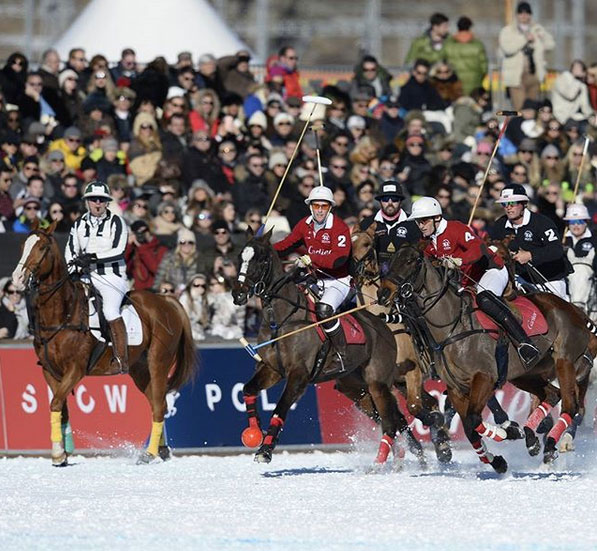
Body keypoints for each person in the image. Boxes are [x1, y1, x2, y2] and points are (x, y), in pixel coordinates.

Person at [409, 196, 540, 366]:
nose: (421, 225)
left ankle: (525, 343)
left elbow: (478, 249)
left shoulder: (455, 228)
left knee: (484, 298)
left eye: (424, 221)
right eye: (418, 222)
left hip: (491, 270)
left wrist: (459, 261)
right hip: (466, 283)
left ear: (437, 218)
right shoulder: (426, 242)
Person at [274, 185, 352, 367]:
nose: (319, 210)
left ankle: (342, 354)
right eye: (316, 206)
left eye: (324, 206)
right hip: (315, 279)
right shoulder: (304, 224)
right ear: (310, 206)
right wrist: (263, 248)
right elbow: (287, 244)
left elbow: (338, 260)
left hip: (338, 281)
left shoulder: (339, 227)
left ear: (330, 207)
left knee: (324, 310)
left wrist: (312, 258)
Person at [64, 180, 129, 374]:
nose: (97, 203)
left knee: (109, 310)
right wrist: (72, 267)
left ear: (108, 202)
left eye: (101, 200)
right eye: (93, 200)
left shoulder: (117, 221)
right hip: (85, 276)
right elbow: (70, 249)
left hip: (111, 276)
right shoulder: (79, 223)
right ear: (87, 202)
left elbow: (119, 250)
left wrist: (92, 258)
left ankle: (121, 359)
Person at [490, 184, 570, 301]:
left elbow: (556, 250)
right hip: (520, 280)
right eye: (504, 204)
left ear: (524, 204)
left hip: (550, 280)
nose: (508, 208)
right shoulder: (500, 225)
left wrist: (530, 255)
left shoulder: (542, 223)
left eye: (512, 203)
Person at [498, 1, 554, 111]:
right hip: (516, 77)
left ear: (531, 15)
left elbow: (550, 45)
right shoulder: (508, 31)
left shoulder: (536, 29)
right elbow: (508, 49)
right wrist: (524, 39)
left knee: (532, 109)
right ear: (517, 15)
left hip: (534, 75)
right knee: (520, 109)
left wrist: (542, 35)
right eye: (521, 13)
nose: (524, 16)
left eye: (527, 13)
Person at [358, 181, 420, 272]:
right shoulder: (367, 224)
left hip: (404, 277)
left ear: (401, 201)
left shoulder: (412, 223)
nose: (390, 203)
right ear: (380, 201)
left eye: (394, 199)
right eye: (385, 199)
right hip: (373, 276)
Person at [445, 16, 488, 95]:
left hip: (455, 84)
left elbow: (444, 63)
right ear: (470, 27)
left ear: (458, 27)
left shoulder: (449, 44)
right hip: (474, 83)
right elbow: (484, 67)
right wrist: (479, 79)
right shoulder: (478, 45)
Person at [125, 219, 169, 291]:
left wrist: (142, 248)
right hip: (138, 292)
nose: (141, 235)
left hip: (155, 291)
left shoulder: (160, 248)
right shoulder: (133, 249)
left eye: (144, 231)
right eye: (138, 233)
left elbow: (156, 269)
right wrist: (129, 246)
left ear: (149, 231)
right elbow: (123, 267)